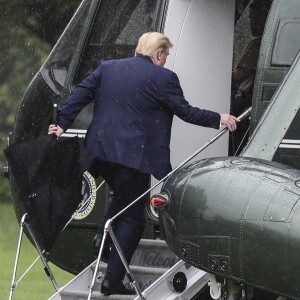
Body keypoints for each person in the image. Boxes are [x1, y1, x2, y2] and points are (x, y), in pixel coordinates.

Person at [48, 32, 238, 296]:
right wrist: (220, 118)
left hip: (101, 153)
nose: (165, 61)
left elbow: (81, 93)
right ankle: (111, 280)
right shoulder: (163, 78)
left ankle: (102, 242)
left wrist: (61, 124)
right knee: (134, 219)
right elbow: (185, 111)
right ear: (158, 54)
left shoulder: (109, 68)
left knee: (121, 199)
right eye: (166, 56)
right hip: (132, 158)